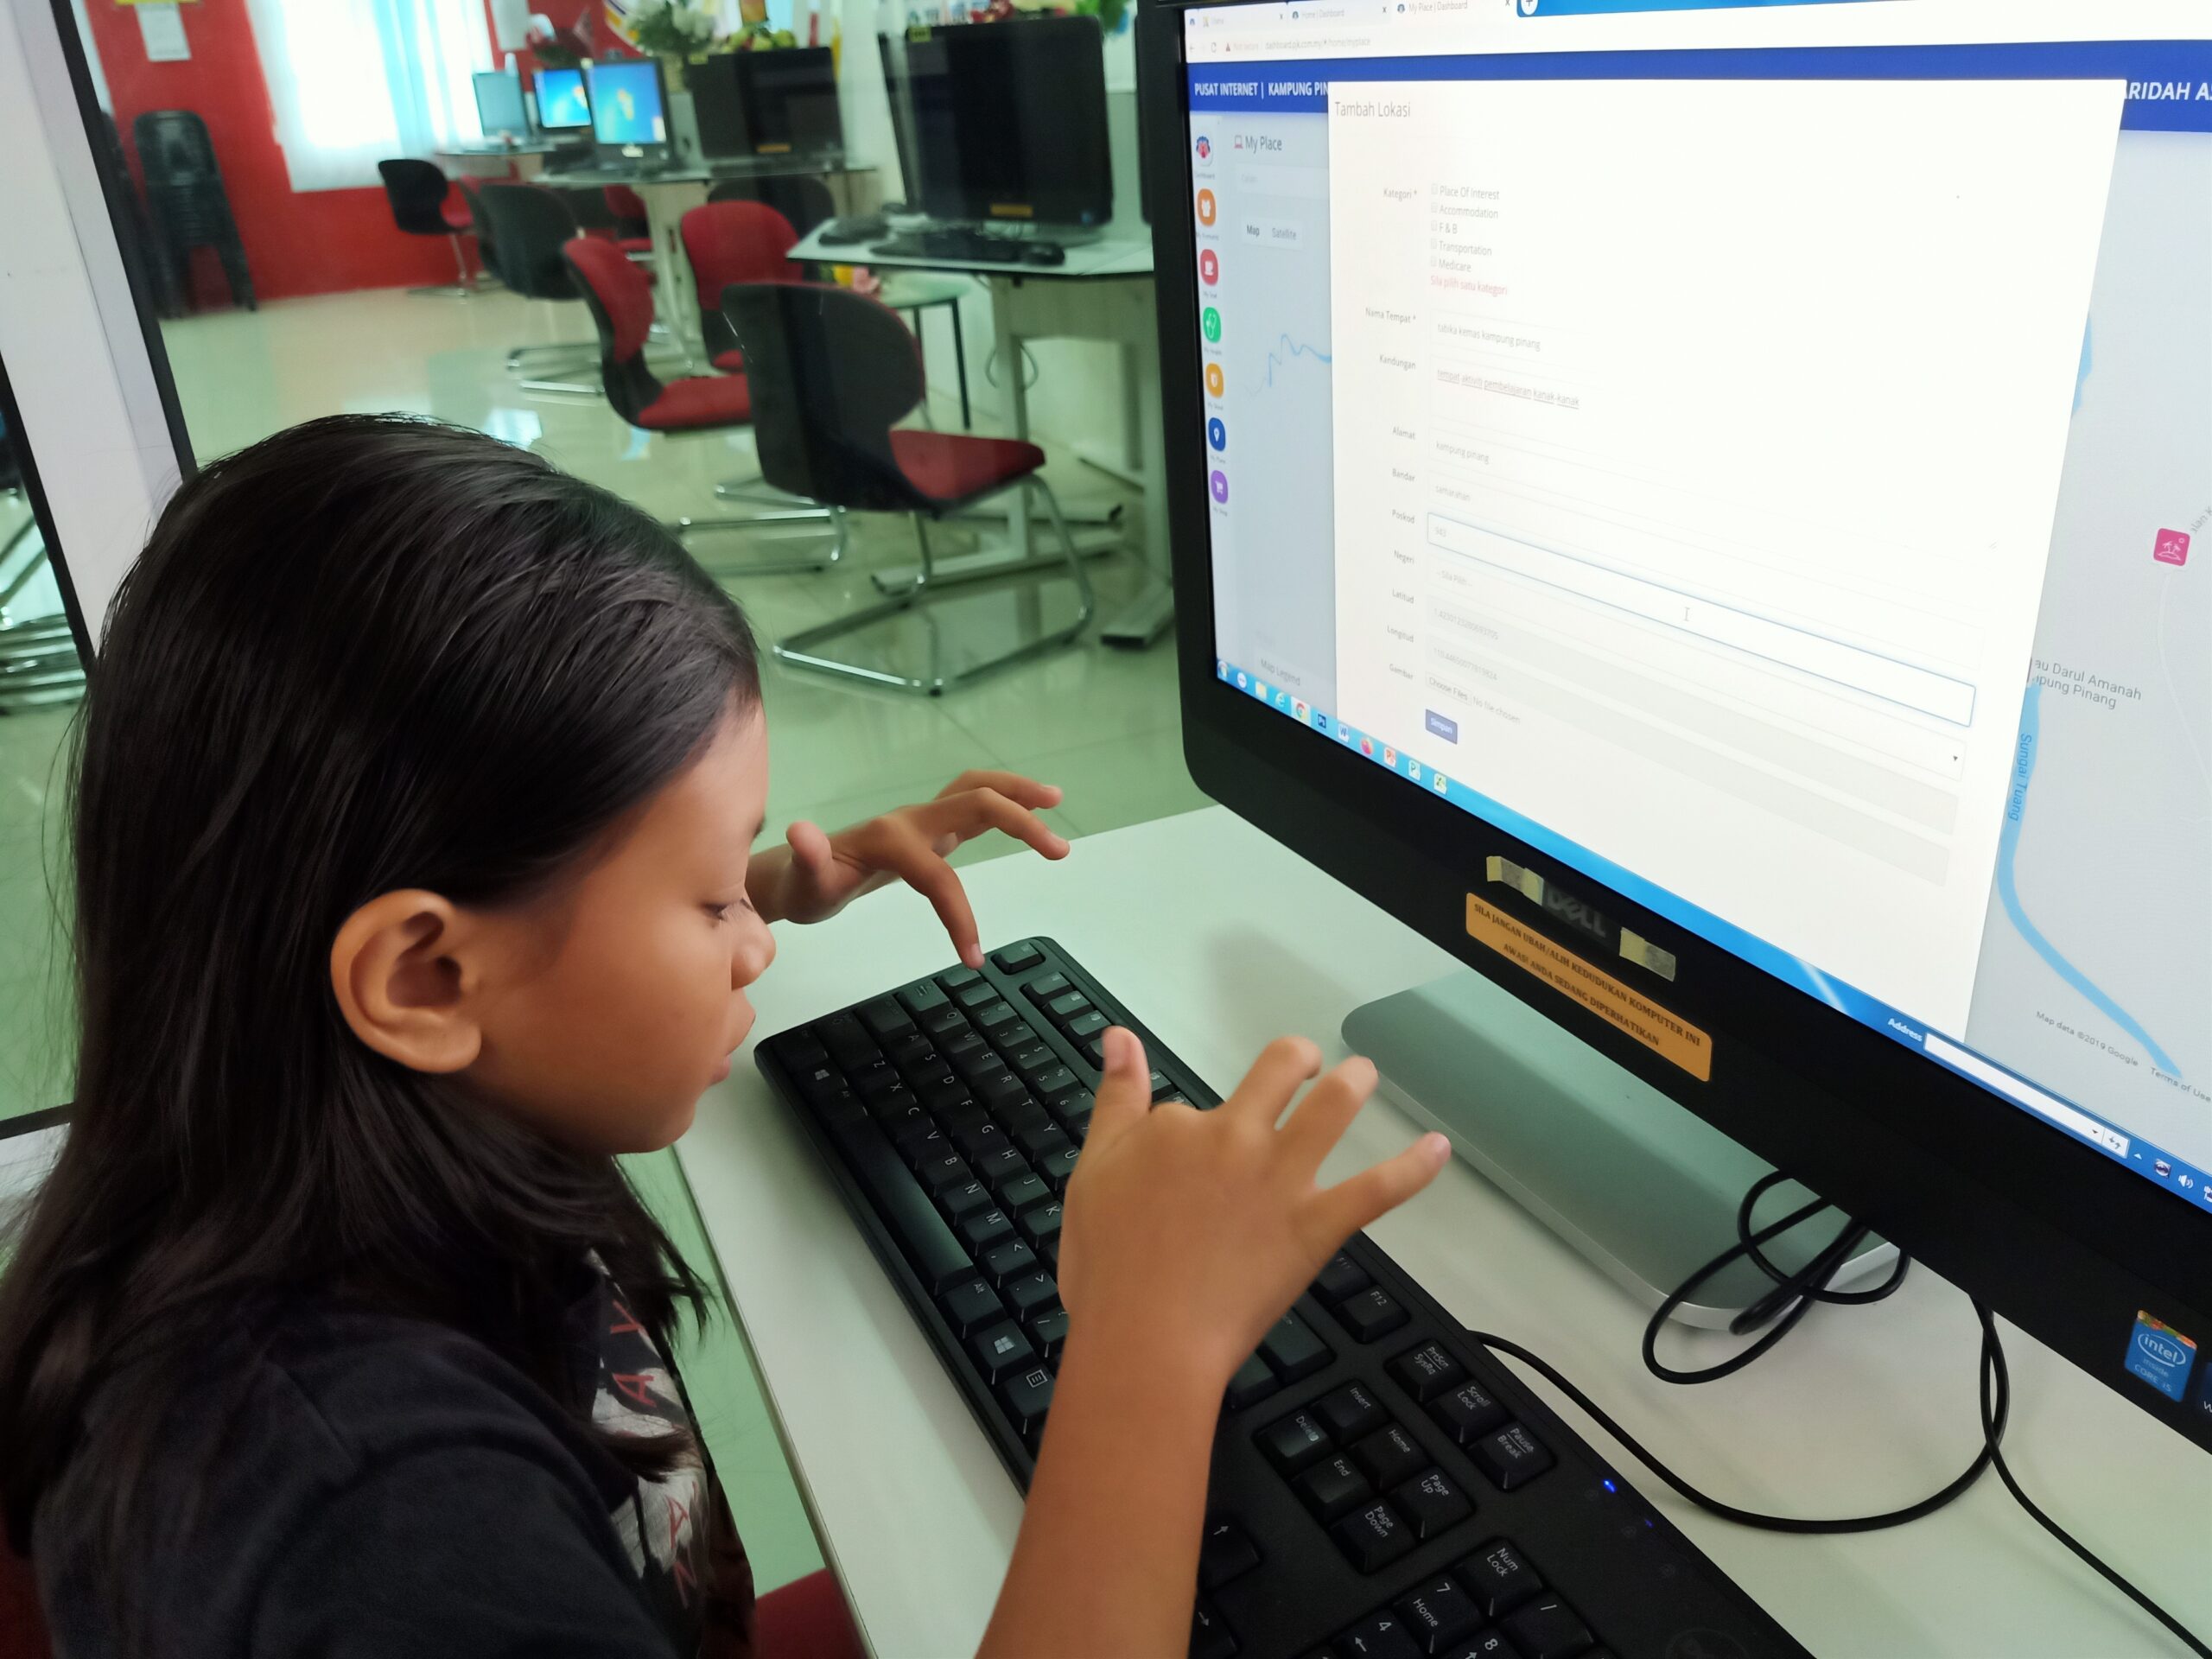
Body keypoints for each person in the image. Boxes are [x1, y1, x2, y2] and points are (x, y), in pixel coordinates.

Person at [0, 416, 1447, 1657]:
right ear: (426, 980)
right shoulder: (377, 1531)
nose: (750, 944)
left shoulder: (331, 1125)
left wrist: (768, 887)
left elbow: (556, 955)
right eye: (706, 905)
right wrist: (1149, 1346)